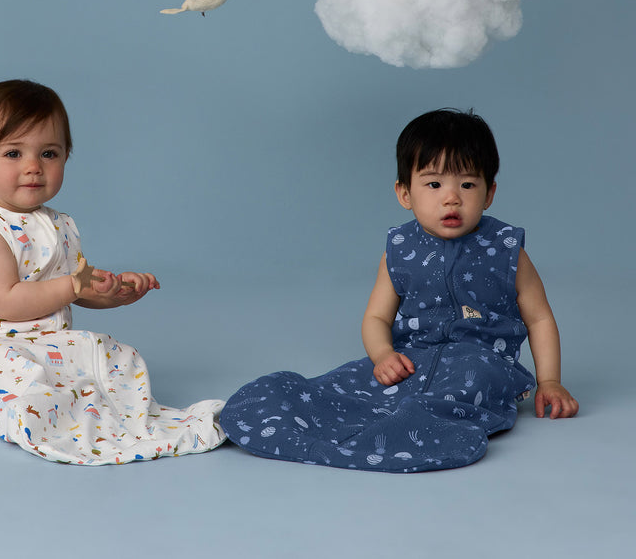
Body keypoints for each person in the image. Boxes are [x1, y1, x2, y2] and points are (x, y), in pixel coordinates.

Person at [220, 108, 578, 472]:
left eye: (467, 185)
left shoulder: (506, 249)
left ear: (489, 194)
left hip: (480, 360)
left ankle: (415, 427)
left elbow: (540, 318)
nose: (452, 198)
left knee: (468, 382)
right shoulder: (401, 248)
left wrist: (550, 381)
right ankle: (334, 421)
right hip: (413, 356)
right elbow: (376, 316)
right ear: (405, 193)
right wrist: (382, 355)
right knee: (345, 385)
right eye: (434, 184)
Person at [0, 79, 225, 465]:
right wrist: (74, 285)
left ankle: (106, 417)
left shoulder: (59, 224)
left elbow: (77, 287)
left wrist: (113, 289)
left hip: (48, 342)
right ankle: (46, 419)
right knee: (18, 376)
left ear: (66, 157)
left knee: (112, 357)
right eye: (13, 153)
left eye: (49, 153)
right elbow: (7, 302)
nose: (32, 167)